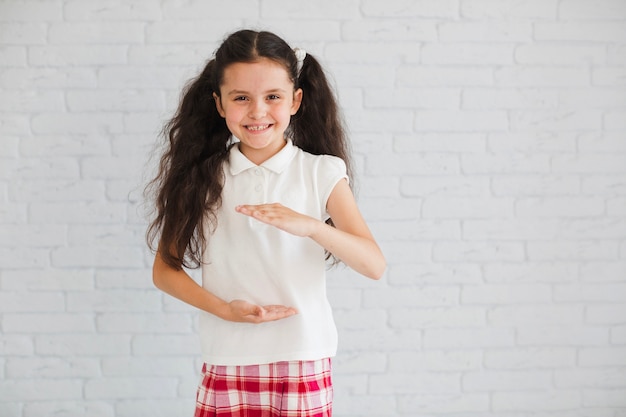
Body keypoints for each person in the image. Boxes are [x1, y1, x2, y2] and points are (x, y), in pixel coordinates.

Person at [146, 29, 385, 417]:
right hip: (227, 357)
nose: (257, 111)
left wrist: (311, 226)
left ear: (296, 100)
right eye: (241, 98)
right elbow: (164, 271)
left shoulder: (321, 172)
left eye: (272, 97)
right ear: (220, 105)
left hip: (303, 356)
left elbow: (374, 265)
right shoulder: (201, 177)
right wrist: (224, 310)